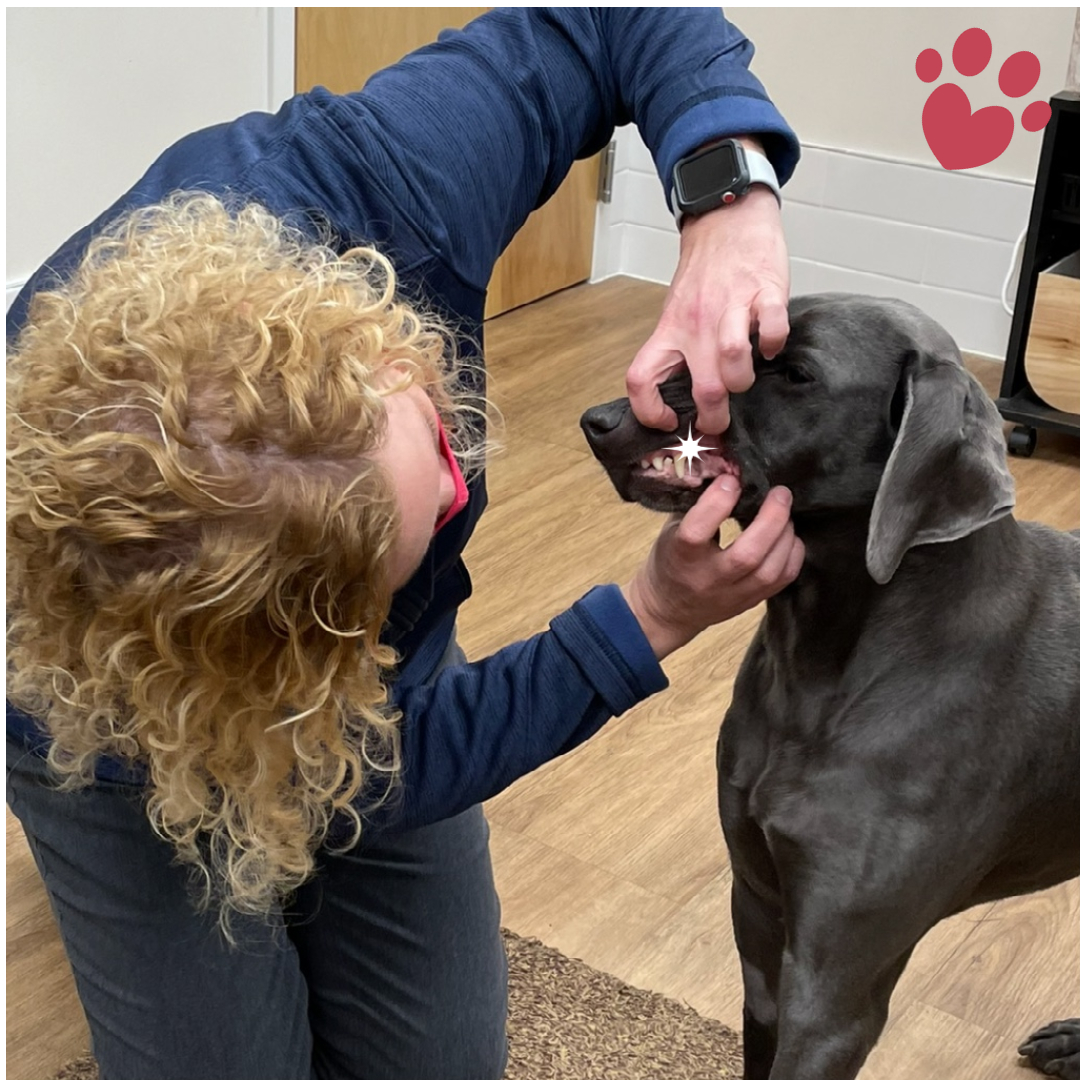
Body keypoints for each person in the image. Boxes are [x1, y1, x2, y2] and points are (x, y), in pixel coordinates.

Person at [6, 9, 804, 1080]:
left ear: (336, 317)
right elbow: (390, 762)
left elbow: (617, 17)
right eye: (420, 527)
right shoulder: (93, 647)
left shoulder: (379, 183)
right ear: (303, 656)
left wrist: (726, 199)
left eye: (427, 429)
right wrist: (647, 618)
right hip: (135, 745)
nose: (457, 479)